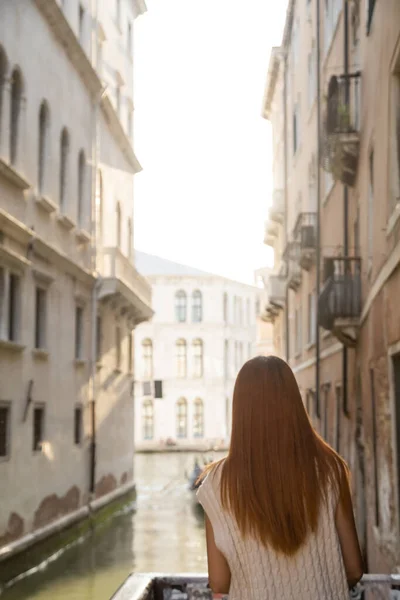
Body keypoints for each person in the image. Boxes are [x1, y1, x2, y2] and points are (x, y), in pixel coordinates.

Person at [197, 355, 363, 599]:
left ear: (241, 410)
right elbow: (354, 569)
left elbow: (219, 582)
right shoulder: (330, 470)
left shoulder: (216, 485)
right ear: (294, 404)